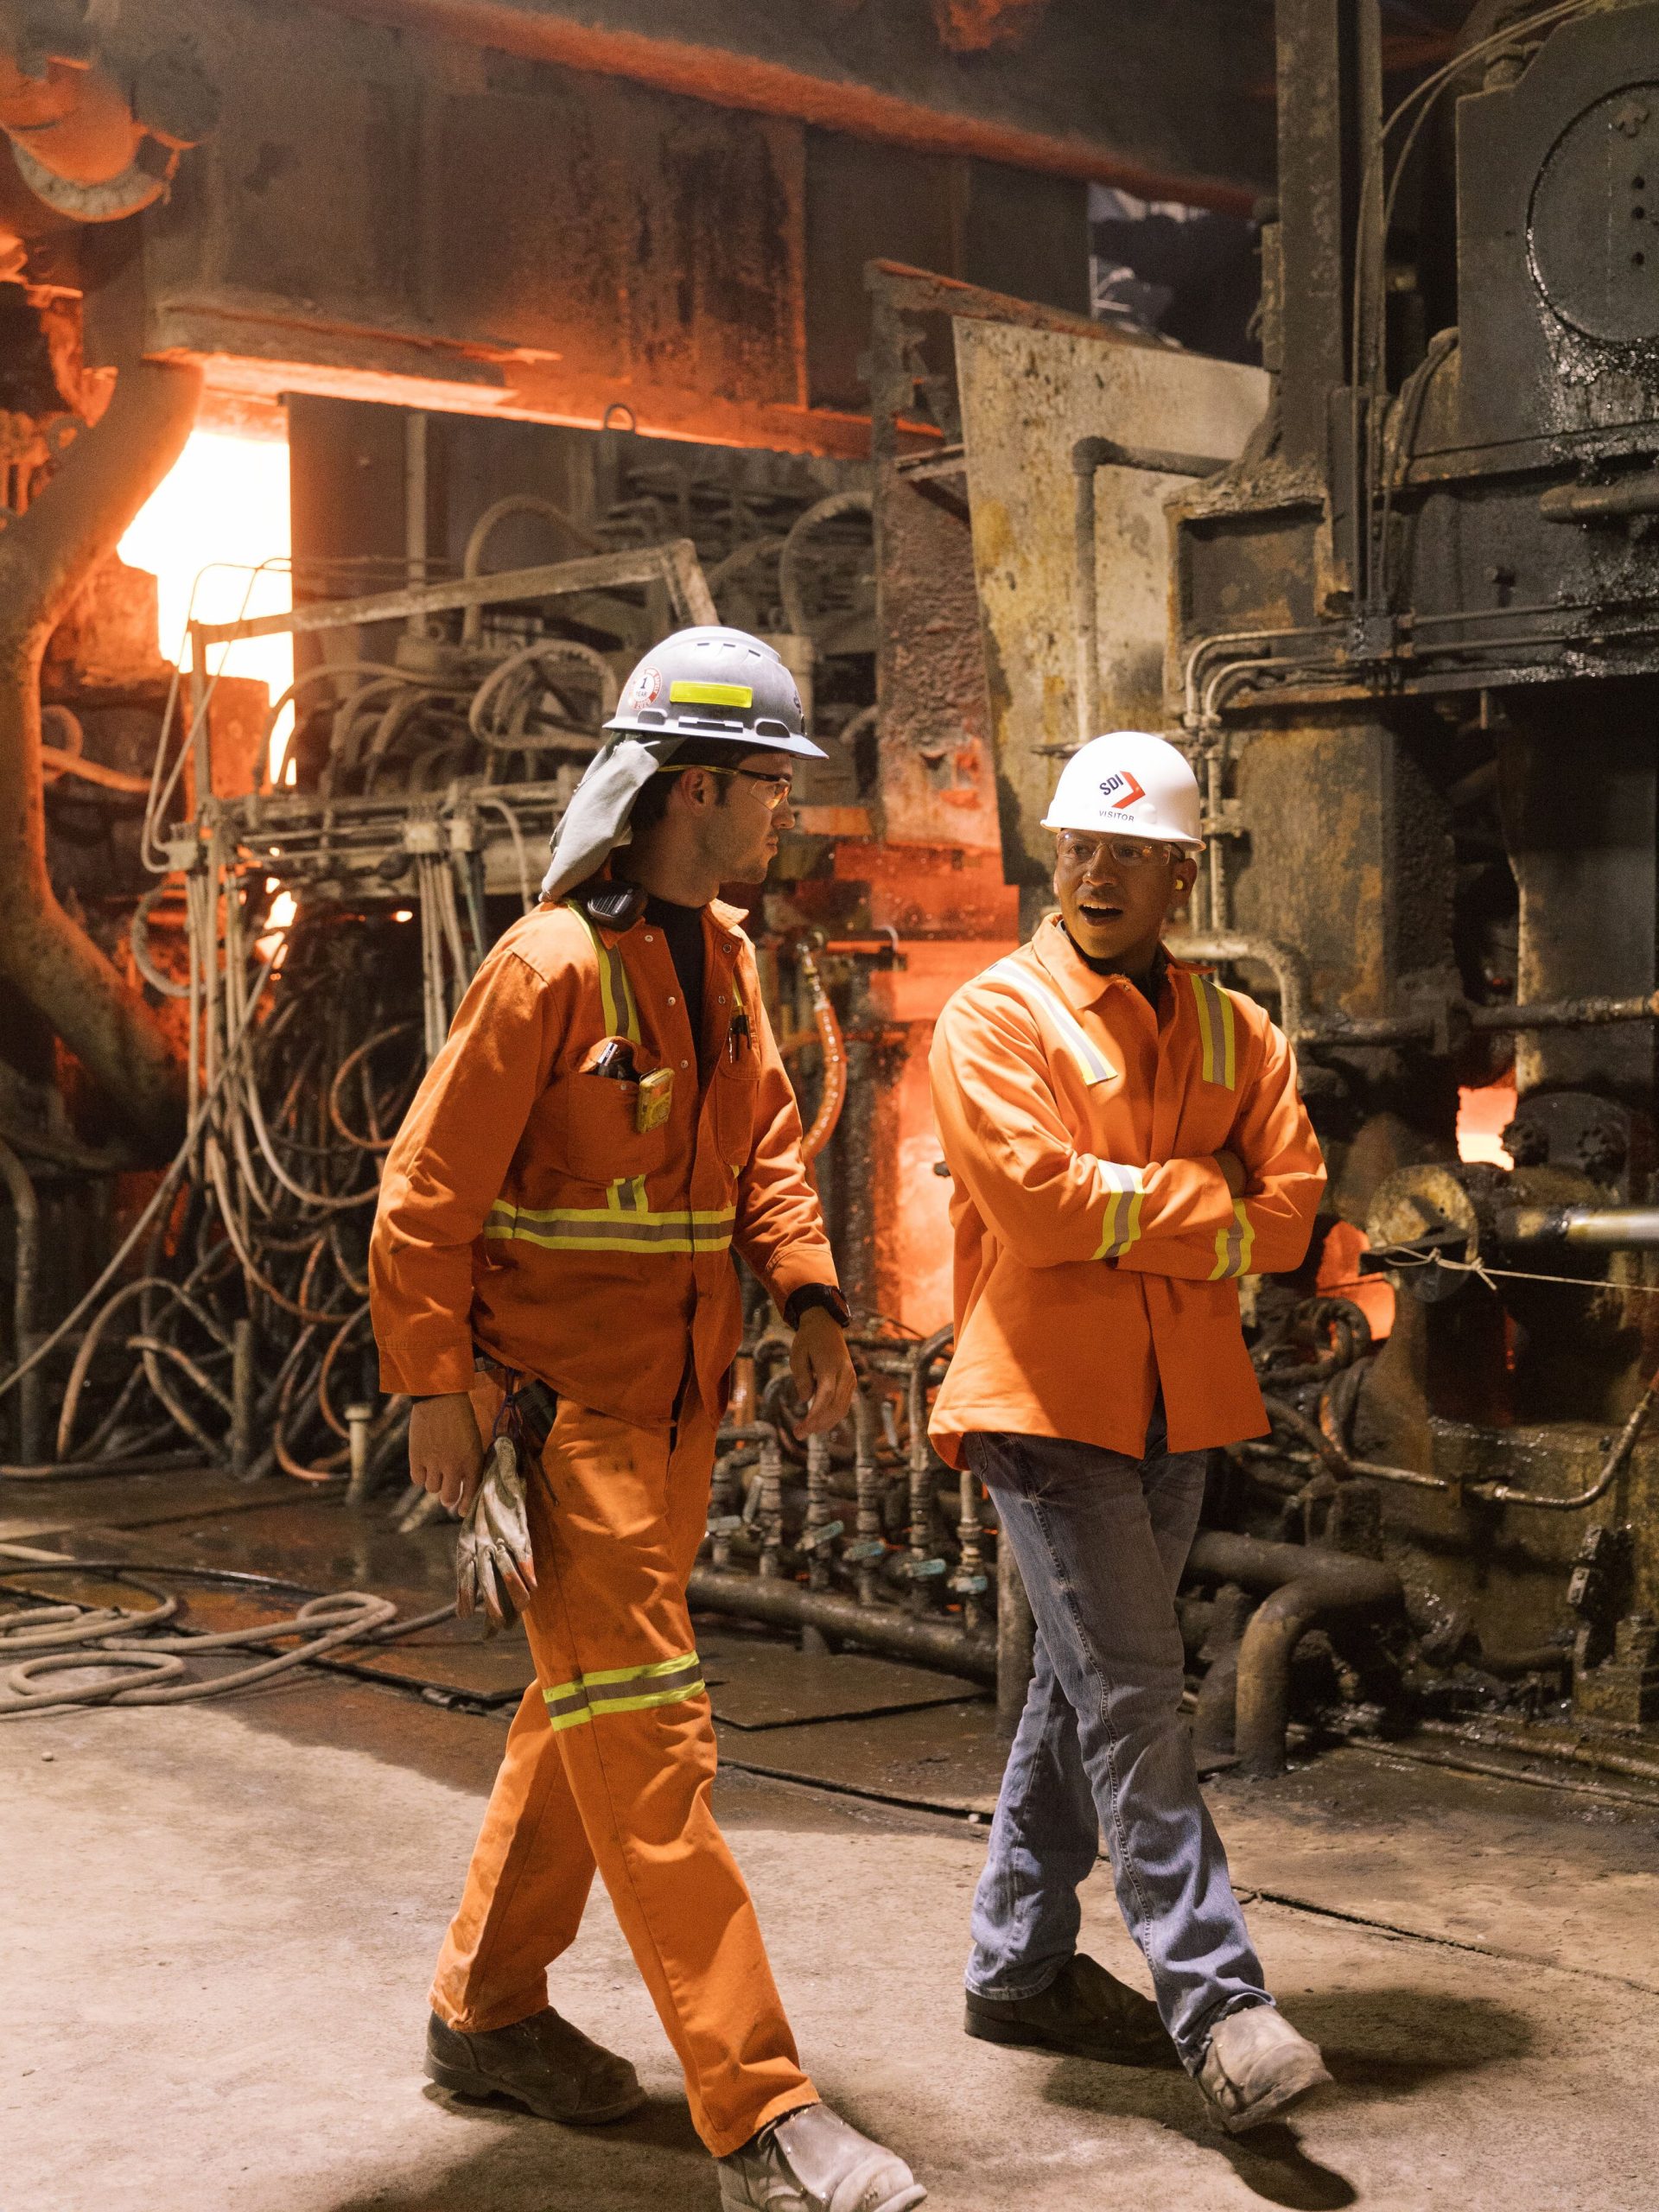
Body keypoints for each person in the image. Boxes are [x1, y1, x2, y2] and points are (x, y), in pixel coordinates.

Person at [370, 625, 925, 2212]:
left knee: (583, 1723)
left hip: (680, 1424)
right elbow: (423, 1199)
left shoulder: (726, 957)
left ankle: (485, 2015)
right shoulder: (549, 969)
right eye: (765, 788)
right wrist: (434, 1393)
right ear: (685, 790)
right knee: (658, 1755)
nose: (783, 819)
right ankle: (762, 2111)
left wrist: (810, 1297)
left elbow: (754, 1147)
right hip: (566, 1440)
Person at [927, 729, 1332, 2135]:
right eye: (1079, 846)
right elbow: (1039, 1211)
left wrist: (1136, 1204)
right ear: (1056, 852)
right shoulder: (995, 1017)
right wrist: (1199, 1195)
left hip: (1179, 1407)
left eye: (1130, 852)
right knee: (1138, 1694)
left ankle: (1016, 1969)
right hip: (1042, 1405)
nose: (1098, 872)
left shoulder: (1236, 1030)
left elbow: (1291, 1213)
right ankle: (1219, 2005)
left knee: (1086, 1687)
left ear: (1181, 868)